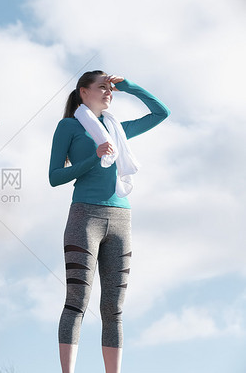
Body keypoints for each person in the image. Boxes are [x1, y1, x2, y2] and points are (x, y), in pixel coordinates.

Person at [49, 71, 170, 373]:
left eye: (110, 88)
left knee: (113, 310)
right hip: (84, 216)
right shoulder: (69, 127)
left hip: (121, 218)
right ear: (83, 92)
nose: (108, 92)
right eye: (101, 87)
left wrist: (129, 86)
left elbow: (161, 112)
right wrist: (93, 158)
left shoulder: (118, 129)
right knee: (77, 300)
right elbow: (54, 177)